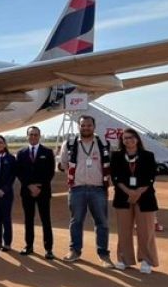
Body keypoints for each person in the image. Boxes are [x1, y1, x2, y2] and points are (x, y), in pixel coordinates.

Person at [59, 115, 114, 267]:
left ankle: (104, 254)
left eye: (89, 125)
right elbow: (63, 164)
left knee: (102, 222)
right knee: (76, 221)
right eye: (83, 125)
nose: (86, 128)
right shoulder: (69, 144)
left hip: (98, 189)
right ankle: (74, 250)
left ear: (94, 127)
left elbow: (110, 164)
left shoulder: (103, 144)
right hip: (77, 189)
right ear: (79, 127)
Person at [111, 129, 160, 274]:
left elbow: (151, 177)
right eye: (125, 138)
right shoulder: (117, 156)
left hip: (144, 197)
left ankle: (146, 259)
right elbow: (115, 177)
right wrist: (128, 191)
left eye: (131, 137)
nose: (128, 140)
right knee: (124, 230)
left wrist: (138, 192)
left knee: (146, 230)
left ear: (137, 139)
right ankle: (124, 259)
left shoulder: (147, 156)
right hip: (123, 196)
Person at [16, 126, 56, 259]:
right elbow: (19, 172)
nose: (33, 137)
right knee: (28, 220)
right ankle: (29, 246)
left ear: (39, 136)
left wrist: (39, 187)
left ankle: (48, 249)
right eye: (31, 134)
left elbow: (50, 172)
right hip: (27, 192)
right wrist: (29, 186)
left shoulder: (48, 152)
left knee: (46, 220)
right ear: (27, 136)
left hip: (43, 192)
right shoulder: (21, 153)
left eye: (35, 134)